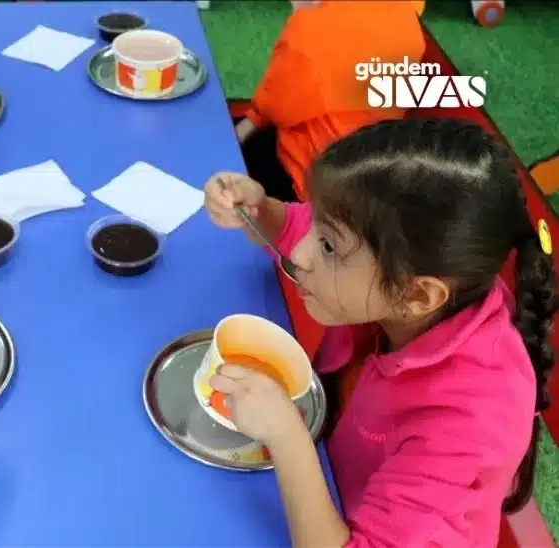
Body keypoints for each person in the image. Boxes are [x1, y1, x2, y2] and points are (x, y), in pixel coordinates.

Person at [204, 117, 556, 547]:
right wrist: (265, 212)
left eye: (328, 246)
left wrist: (286, 437)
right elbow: (322, 231)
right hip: (333, 475)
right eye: (319, 229)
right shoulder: (428, 286)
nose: (300, 251)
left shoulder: (468, 422)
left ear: (417, 295)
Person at [237, 0, 425, 203]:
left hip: (314, 184)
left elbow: (275, 107)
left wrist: (245, 126)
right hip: (372, 178)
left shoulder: (310, 30)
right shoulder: (406, 16)